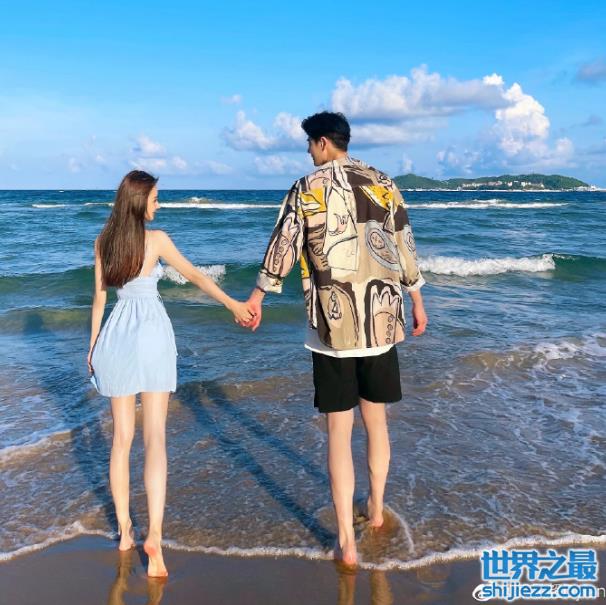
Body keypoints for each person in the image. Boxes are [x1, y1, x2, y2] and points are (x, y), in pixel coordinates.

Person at [245, 112, 427, 567]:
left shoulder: (307, 187)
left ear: (324, 142)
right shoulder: (383, 182)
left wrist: (258, 296)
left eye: (310, 144)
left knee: (339, 433)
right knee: (377, 423)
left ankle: (347, 541)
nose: (309, 151)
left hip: (332, 325)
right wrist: (417, 299)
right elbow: (404, 242)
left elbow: (284, 246)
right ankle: (377, 511)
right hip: (381, 322)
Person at [88, 170, 254, 577]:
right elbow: (195, 275)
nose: (158, 204)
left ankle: (125, 532)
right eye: (155, 198)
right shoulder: (157, 240)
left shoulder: (103, 242)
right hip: (152, 336)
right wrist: (234, 304)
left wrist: (91, 347)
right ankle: (155, 537)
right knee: (155, 438)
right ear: (140, 201)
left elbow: (99, 299)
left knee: (121, 440)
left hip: (116, 337)